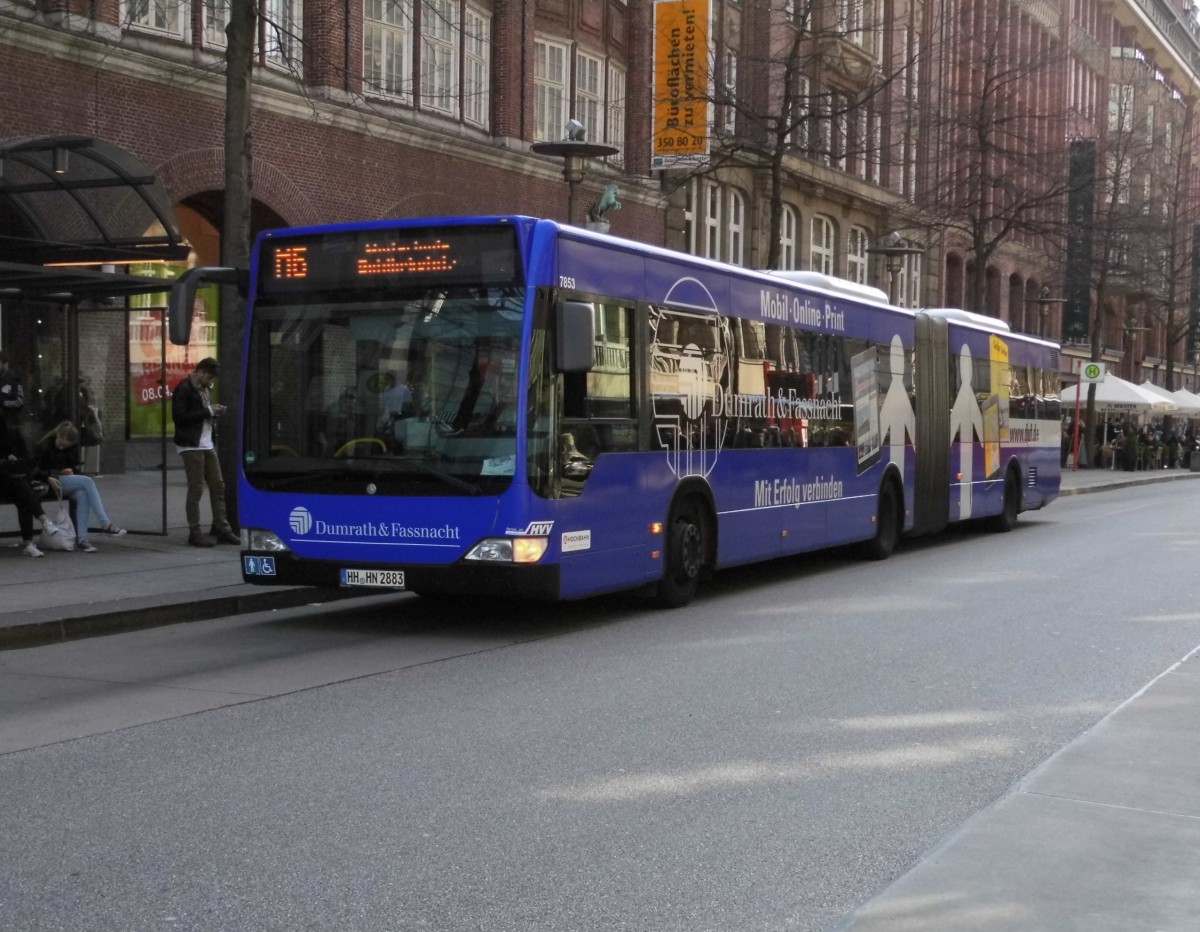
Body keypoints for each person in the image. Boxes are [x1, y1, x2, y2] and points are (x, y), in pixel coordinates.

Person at [173, 357, 239, 547]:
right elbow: (179, 417)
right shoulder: (184, 388)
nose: (211, 381)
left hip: (206, 442)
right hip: (190, 444)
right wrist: (209, 411)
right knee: (196, 488)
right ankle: (195, 532)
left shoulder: (204, 389)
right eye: (209, 376)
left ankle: (223, 529)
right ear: (200, 372)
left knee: (218, 485)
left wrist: (213, 412)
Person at [33, 421, 126, 553]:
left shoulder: (71, 448)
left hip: (63, 480)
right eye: (61, 443)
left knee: (82, 493)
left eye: (66, 446)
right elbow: (35, 470)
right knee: (87, 481)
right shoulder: (44, 446)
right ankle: (105, 523)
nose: (62, 448)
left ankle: (82, 539)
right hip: (48, 482)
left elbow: (75, 467)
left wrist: (68, 471)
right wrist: (50, 475)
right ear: (58, 434)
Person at [1, 421, 63, 557]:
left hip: (10, 482)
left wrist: (46, 477)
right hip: (6, 482)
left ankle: (29, 544)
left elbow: (24, 464)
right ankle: (45, 522)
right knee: (22, 486)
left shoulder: (11, 436)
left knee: (22, 491)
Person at [0, 349, 27, 457]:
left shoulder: (14, 380)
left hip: (8, 428)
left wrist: (3, 403)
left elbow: (20, 402)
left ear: (5, 363)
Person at [79, 385, 104, 475]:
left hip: (93, 436)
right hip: (94, 435)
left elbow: (92, 427)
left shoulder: (87, 411)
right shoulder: (86, 410)